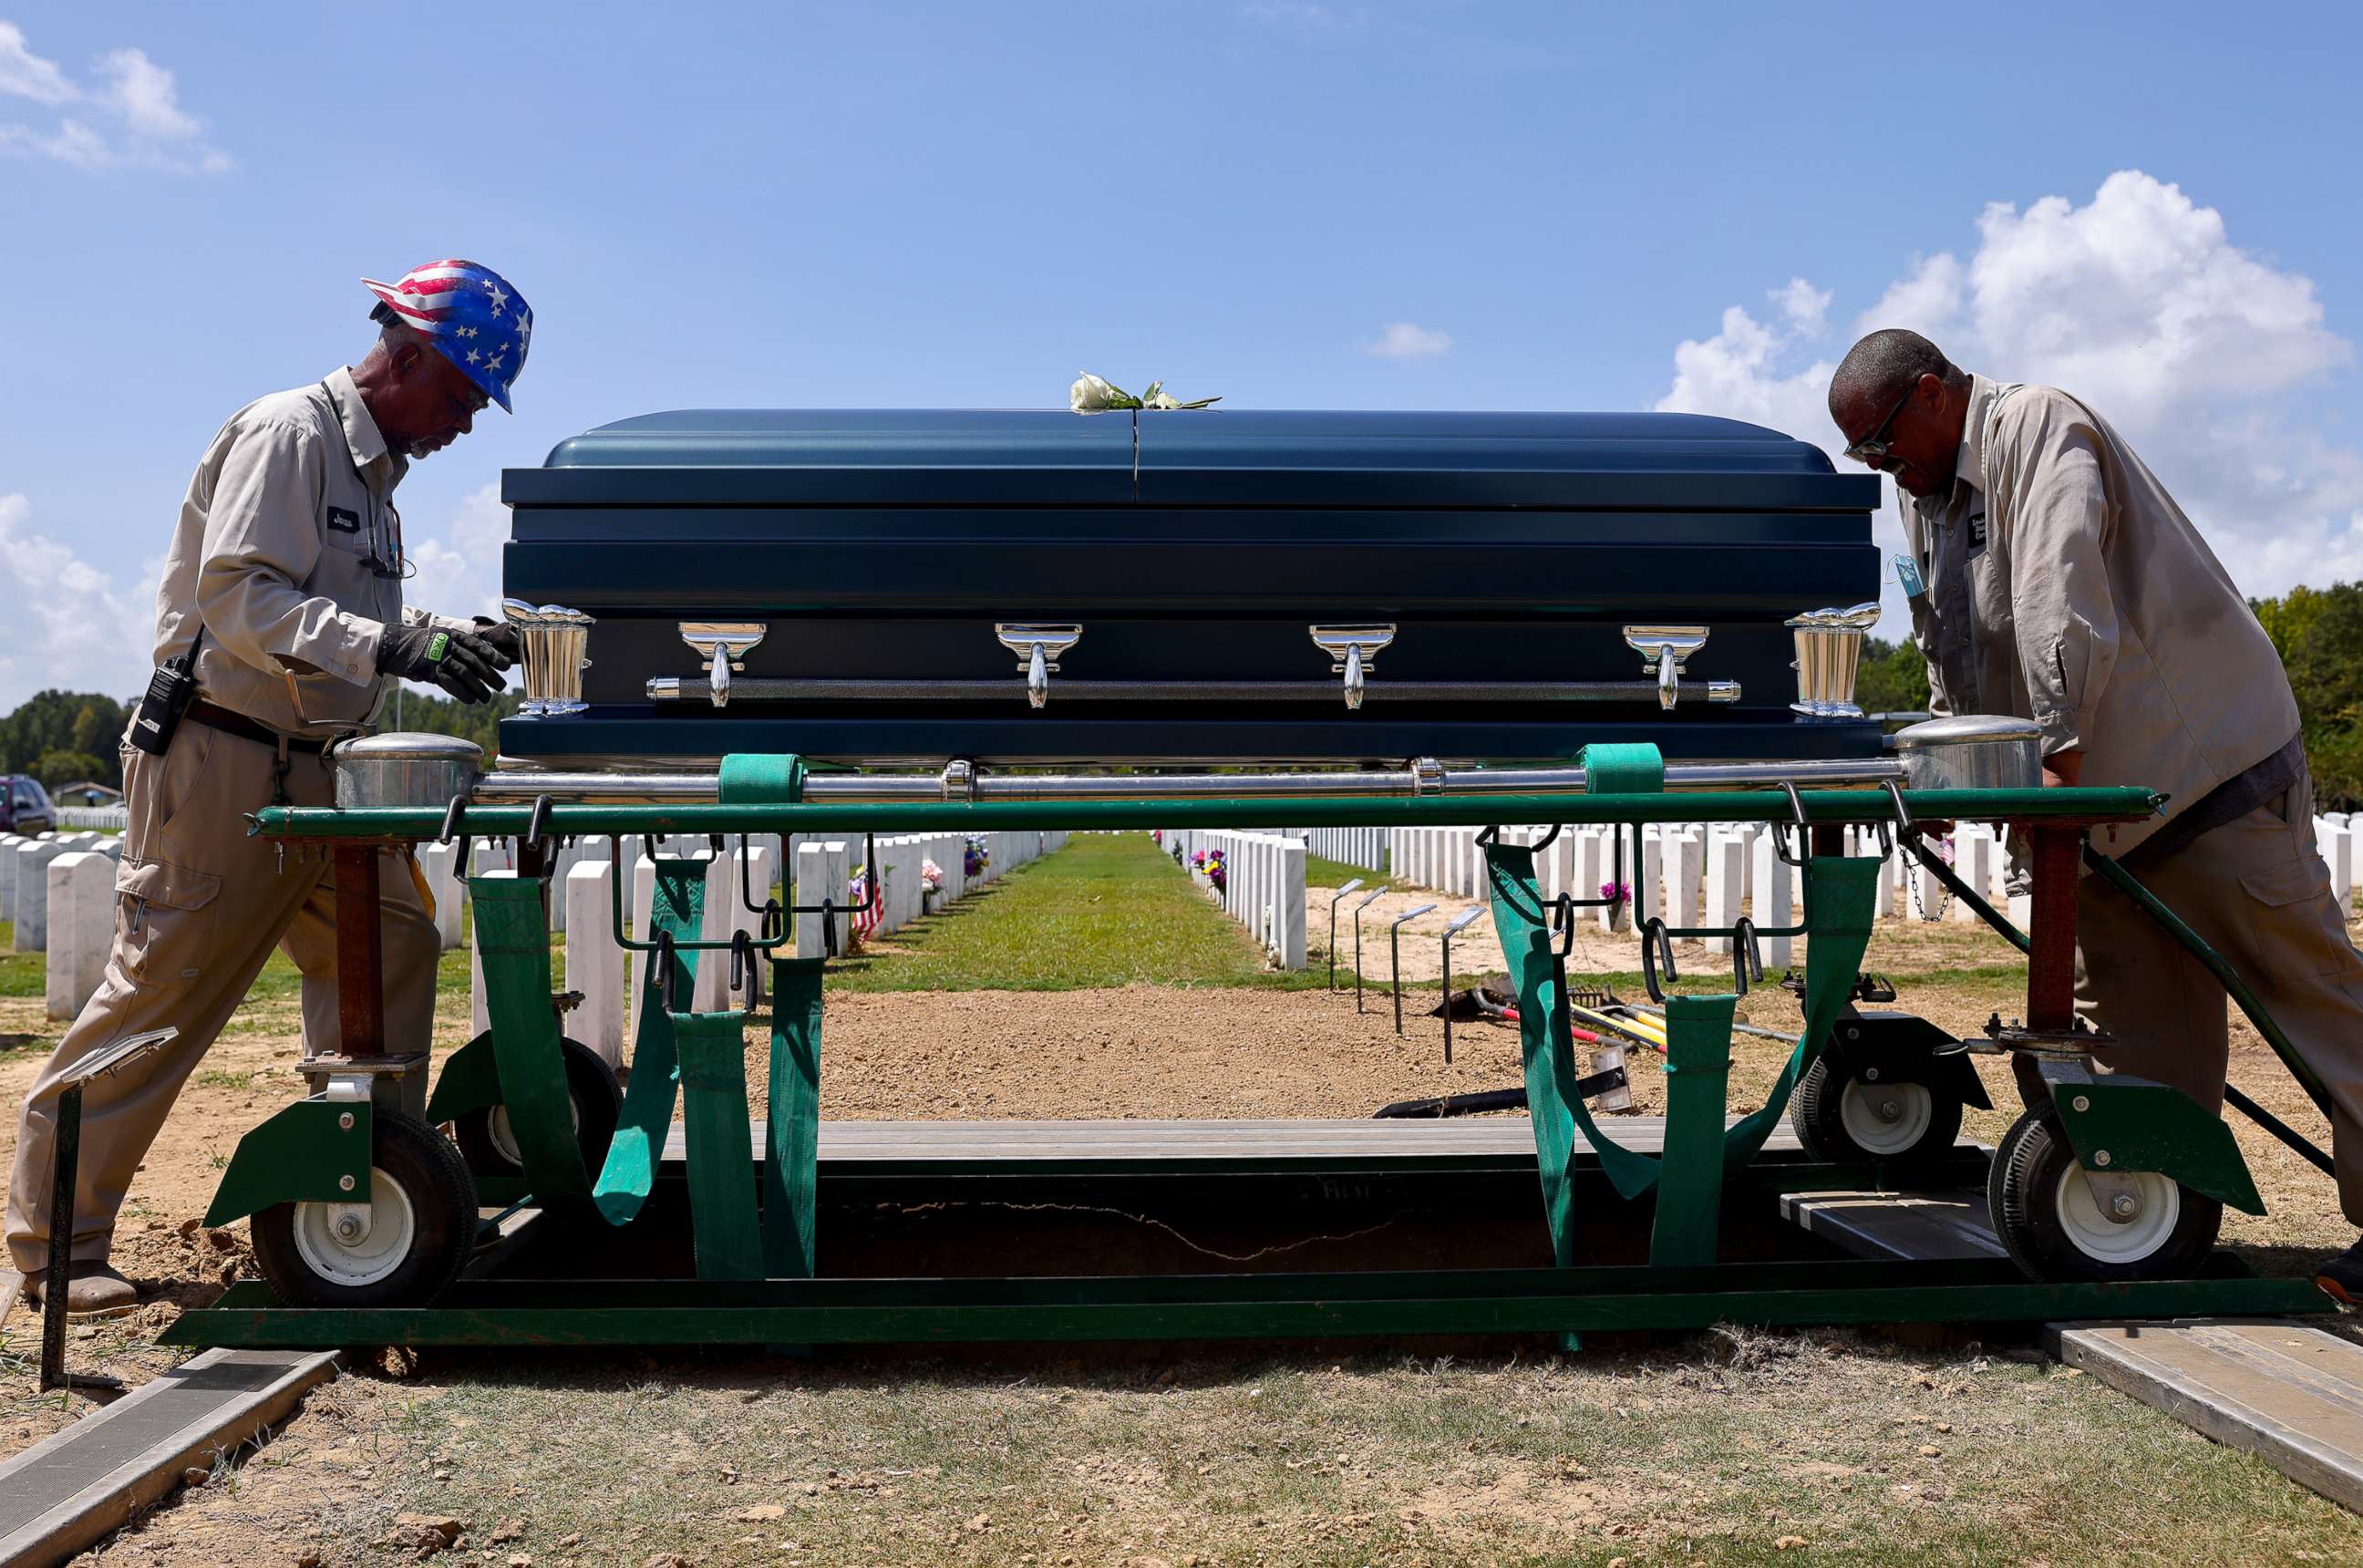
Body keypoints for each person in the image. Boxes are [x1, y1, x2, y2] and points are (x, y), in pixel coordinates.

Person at [7, 261, 535, 1315]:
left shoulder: (377, 489)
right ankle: (55, 1247)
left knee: (395, 942)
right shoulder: (290, 434)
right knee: (166, 986)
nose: (469, 423)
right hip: (221, 757)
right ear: (411, 354)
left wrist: (437, 640)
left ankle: (368, 1178)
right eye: (465, 395)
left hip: (317, 772)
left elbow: (353, 632)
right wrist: (393, 641)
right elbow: (241, 596)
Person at [1826, 327, 2363, 1297]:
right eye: (1864, 453)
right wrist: (1955, 768)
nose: (1881, 467)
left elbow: (2057, 599)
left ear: (1937, 392)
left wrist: (2054, 767)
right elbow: (1952, 636)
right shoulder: (1934, 496)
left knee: (2313, 999)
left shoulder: (2038, 425)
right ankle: (2155, 1219)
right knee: (2136, 1035)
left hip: (2204, 775)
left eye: (1886, 442)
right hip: (2103, 805)